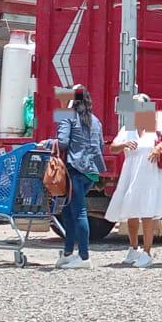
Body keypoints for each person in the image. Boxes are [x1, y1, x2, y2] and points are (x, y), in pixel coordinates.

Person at [106, 93, 162, 267]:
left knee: (147, 212)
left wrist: (159, 147)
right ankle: (133, 248)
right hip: (131, 173)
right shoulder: (129, 127)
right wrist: (124, 145)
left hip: (150, 174)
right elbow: (113, 147)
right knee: (131, 211)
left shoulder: (156, 122)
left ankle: (147, 252)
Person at [51, 84, 106, 270]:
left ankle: (84, 257)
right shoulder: (96, 121)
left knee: (79, 212)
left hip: (74, 170)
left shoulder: (67, 116)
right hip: (91, 172)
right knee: (69, 210)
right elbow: (100, 146)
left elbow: (62, 142)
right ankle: (68, 253)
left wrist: (47, 143)